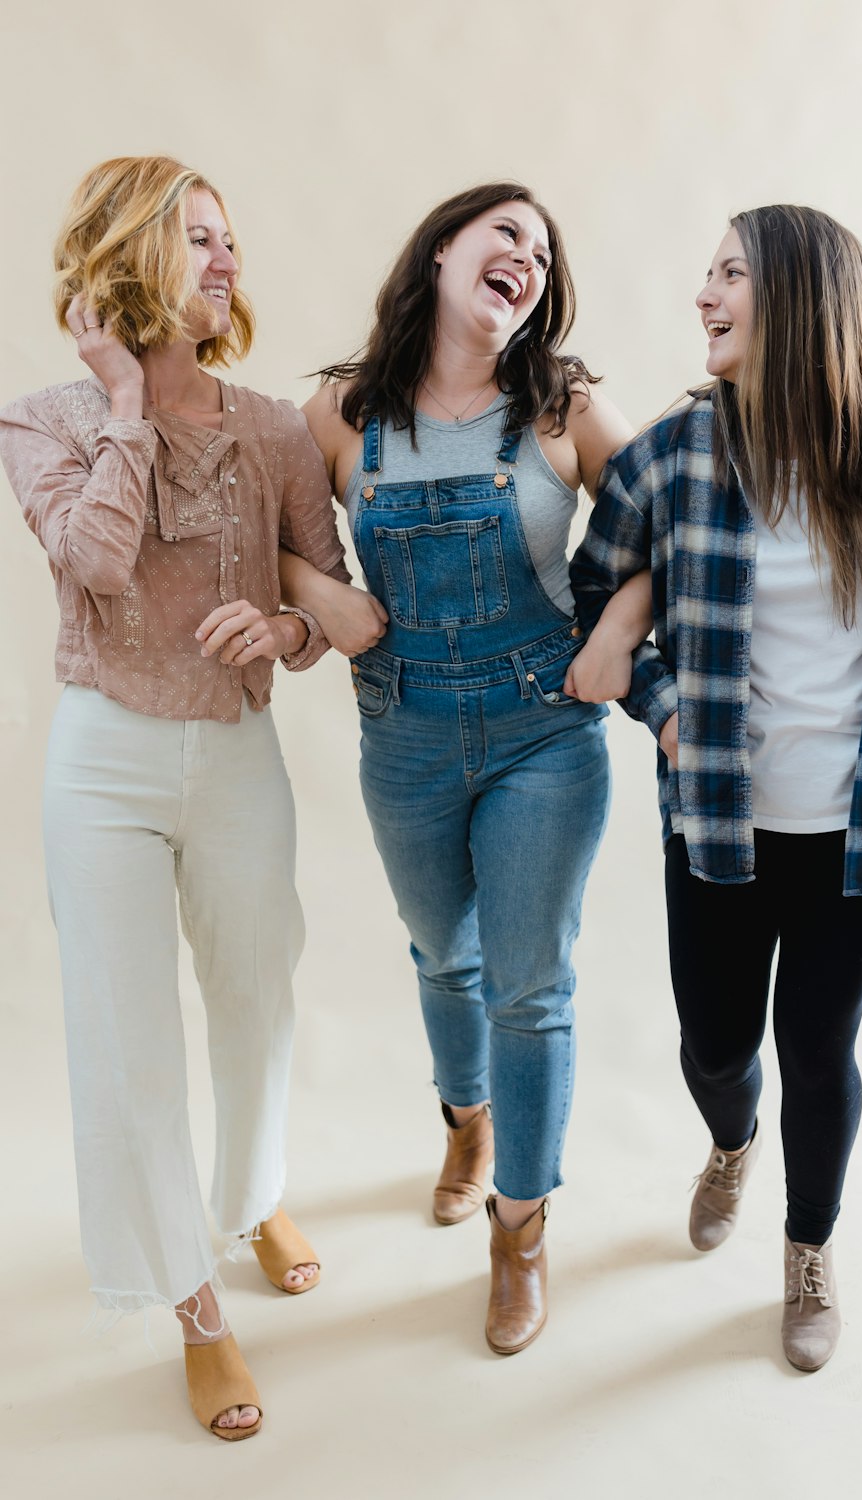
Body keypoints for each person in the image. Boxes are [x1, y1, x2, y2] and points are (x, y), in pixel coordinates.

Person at [570, 204, 862, 1372]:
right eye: (703, 273)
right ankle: (728, 1138)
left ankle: (808, 1248)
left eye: (728, 275)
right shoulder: (672, 456)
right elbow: (594, 603)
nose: (701, 295)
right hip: (717, 813)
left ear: (802, 296)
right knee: (714, 1045)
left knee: (818, 1046)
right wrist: (660, 712)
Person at [0, 156, 385, 1439]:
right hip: (100, 758)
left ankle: (255, 1189)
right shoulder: (44, 419)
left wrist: (277, 632)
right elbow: (94, 559)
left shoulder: (273, 427)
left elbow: (323, 608)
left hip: (231, 754)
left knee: (257, 987)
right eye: (199, 239)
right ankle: (194, 1306)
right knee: (127, 1039)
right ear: (127, 258)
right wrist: (122, 394)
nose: (228, 261)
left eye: (232, 240)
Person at [281, 182, 647, 1354]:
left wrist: (613, 637)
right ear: (443, 249)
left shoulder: (562, 405)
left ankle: (520, 1231)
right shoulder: (340, 415)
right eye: (507, 236)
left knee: (530, 987)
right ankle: (466, 1119)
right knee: (447, 954)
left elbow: (671, 524)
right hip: (406, 729)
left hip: (545, 730)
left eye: (541, 254)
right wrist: (320, 592)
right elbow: (264, 537)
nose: (526, 261)